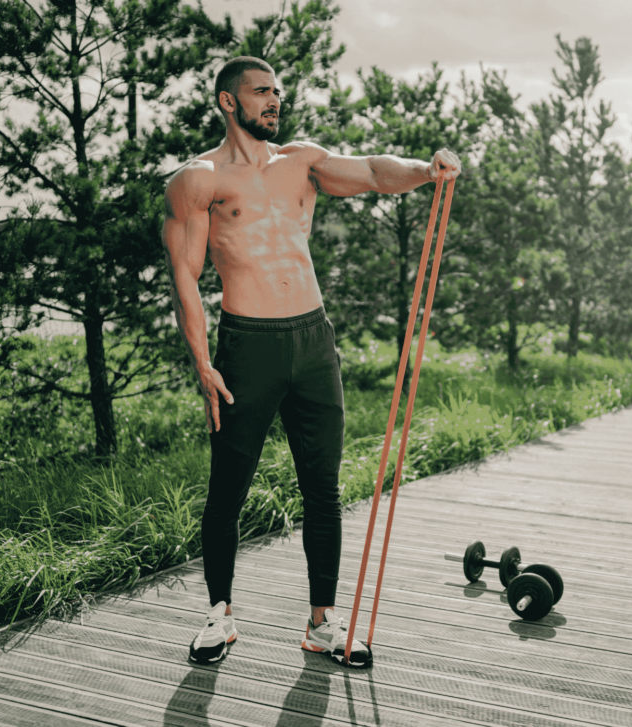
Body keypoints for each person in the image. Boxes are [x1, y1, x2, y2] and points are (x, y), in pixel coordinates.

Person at [161, 56, 461, 669]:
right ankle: (218, 616)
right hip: (247, 348)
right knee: (228, 492)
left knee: (322, 489)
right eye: (261, 92)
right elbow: (185, 280)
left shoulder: (302, 161)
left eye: (277, 92)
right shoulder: (196, 181)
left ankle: (322, 623)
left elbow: (377, 173)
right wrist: (202, 362)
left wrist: (426, 171)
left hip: (313, 342)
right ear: (227, 101)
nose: (274, 101)